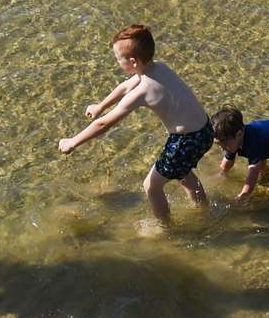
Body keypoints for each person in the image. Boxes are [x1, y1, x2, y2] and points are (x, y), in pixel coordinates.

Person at [58, 24, 213, 223]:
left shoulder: (144, 90)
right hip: (205, 131)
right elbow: (125, 86)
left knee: (151, 186)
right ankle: (203, 210)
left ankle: (165, 228)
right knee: (181, 171)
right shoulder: (159, 67)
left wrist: (73, 141)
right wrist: (100, 106)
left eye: (117, 59)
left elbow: (104, 124)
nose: (116, 62)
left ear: (132, 61)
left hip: (185, 141)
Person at [211, 107, 269, 204]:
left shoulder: (252, 142)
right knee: (261, 166)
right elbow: (228, 161)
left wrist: (244, 194)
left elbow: (253, 172)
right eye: (219, 145)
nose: (222, 148)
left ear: (239, 134)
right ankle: (267, 175)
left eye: (224, 145)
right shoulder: (233, 141)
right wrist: (222, 173)